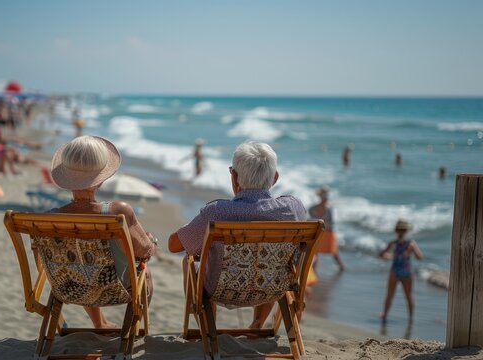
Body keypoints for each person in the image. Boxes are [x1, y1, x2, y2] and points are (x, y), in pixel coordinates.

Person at [168, 141, 307, 329]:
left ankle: (208, 330)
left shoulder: (216, 212)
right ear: (275, 178)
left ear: (234, 176)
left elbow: (174, 245)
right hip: (273, 289)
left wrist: (195, 226)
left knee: (189, 261)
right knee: (273, 261)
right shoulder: (293, 209)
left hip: (220, 289)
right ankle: (257, 324)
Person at [49, 135, 157, 329]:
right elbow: (144, 252)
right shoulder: (117, 212)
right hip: (115, 289)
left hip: (68, 286)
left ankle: (100, 324)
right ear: (100, 180)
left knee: (81, 266)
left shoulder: (51, 218)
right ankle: (128, 332)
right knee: (145, 274)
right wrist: (151, 241)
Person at [378, 219, 424, 325]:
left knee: (390, 295)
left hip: (395, 270)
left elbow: (381, 254)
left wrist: (390, 256)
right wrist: (412, 250)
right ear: (406, 231)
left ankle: (385, 314)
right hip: (407, 270)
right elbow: (420, 257)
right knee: (409, 295)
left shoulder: (394, 243)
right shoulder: (410, 243)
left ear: (396, 231)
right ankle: (410, 318)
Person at [309, 186, 346, 271]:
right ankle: (342, 268)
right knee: (333, 252)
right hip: (328, 232)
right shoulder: (329, 209)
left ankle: (313, 271)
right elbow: (332, 222)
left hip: (320, 232)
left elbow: (311, 220)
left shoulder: (312, 208)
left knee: (317, 252)